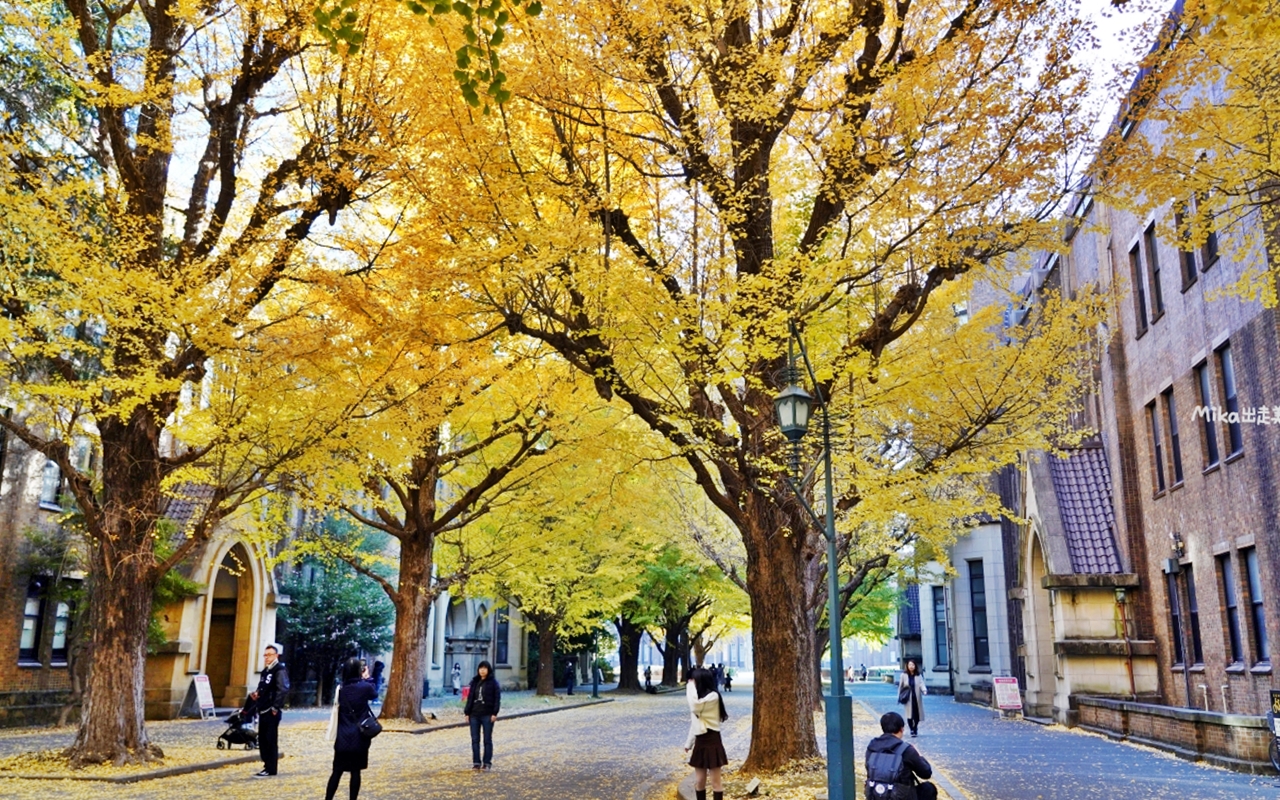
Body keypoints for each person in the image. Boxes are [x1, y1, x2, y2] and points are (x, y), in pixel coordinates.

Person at [325, 657, 378, 800]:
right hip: (359, 736)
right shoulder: (364, 687)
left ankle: (328, 798)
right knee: (356, 772)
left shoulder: (341, 688)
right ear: (359, 671)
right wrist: (367, 678)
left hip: (342, 735)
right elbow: (374, 694)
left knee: (336, 772)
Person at [865, 711, 937, 800]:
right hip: (900, 796)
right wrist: (919, 755)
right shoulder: (906, 749)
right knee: (929, 789)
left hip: (875, 793)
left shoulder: (872, 747)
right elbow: (926, 773)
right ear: (901, 729)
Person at [684, 666, 729, 800]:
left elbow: (695, 706)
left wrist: (689, 688)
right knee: (699, 781)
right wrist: (689, 743)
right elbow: (695, 723)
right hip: (700, 741)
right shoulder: (699, 699)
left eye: (694, 681)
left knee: (715, 782)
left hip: (712, 740)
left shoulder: (713, 696)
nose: (692, 683)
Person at [250, 642, 290, 777]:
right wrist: (257, 694)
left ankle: (271, 767)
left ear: (276, 655)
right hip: (263, 707)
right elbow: (263, 687)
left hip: (271, 709)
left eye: (269, 655)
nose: (267, 658)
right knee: (262, 739)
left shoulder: (279, 670)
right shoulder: (266, 671)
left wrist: (276, 706)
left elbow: (283, 689)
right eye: (265, 655)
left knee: (270, 739)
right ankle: (266, 765)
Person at [463, 660, 501, 770]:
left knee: (487, 739)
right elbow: (470, 698)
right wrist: (467, 712)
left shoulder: (493, 683)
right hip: (474, 714)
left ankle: (487, 762)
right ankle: (476, 762)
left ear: (488, 670)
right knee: (475, 739)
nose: (482, 670)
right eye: (480, 668)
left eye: (484, 668)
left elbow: (497, 699)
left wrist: (494, 713)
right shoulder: (475, 682)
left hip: (487, 714)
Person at [898, 659, 927, 737]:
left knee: (917, 714)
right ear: (907, 666)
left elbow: (921, 684)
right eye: (910, 665)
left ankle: (915, 727)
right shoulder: (903, 675)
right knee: (909, 714)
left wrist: (924, 690)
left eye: (913, 665)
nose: (911, 666)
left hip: (916, 697)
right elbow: (900, 687)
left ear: (915, 666)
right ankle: (911, 729)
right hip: (907, 698)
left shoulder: (918, 675)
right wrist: (899, 697)